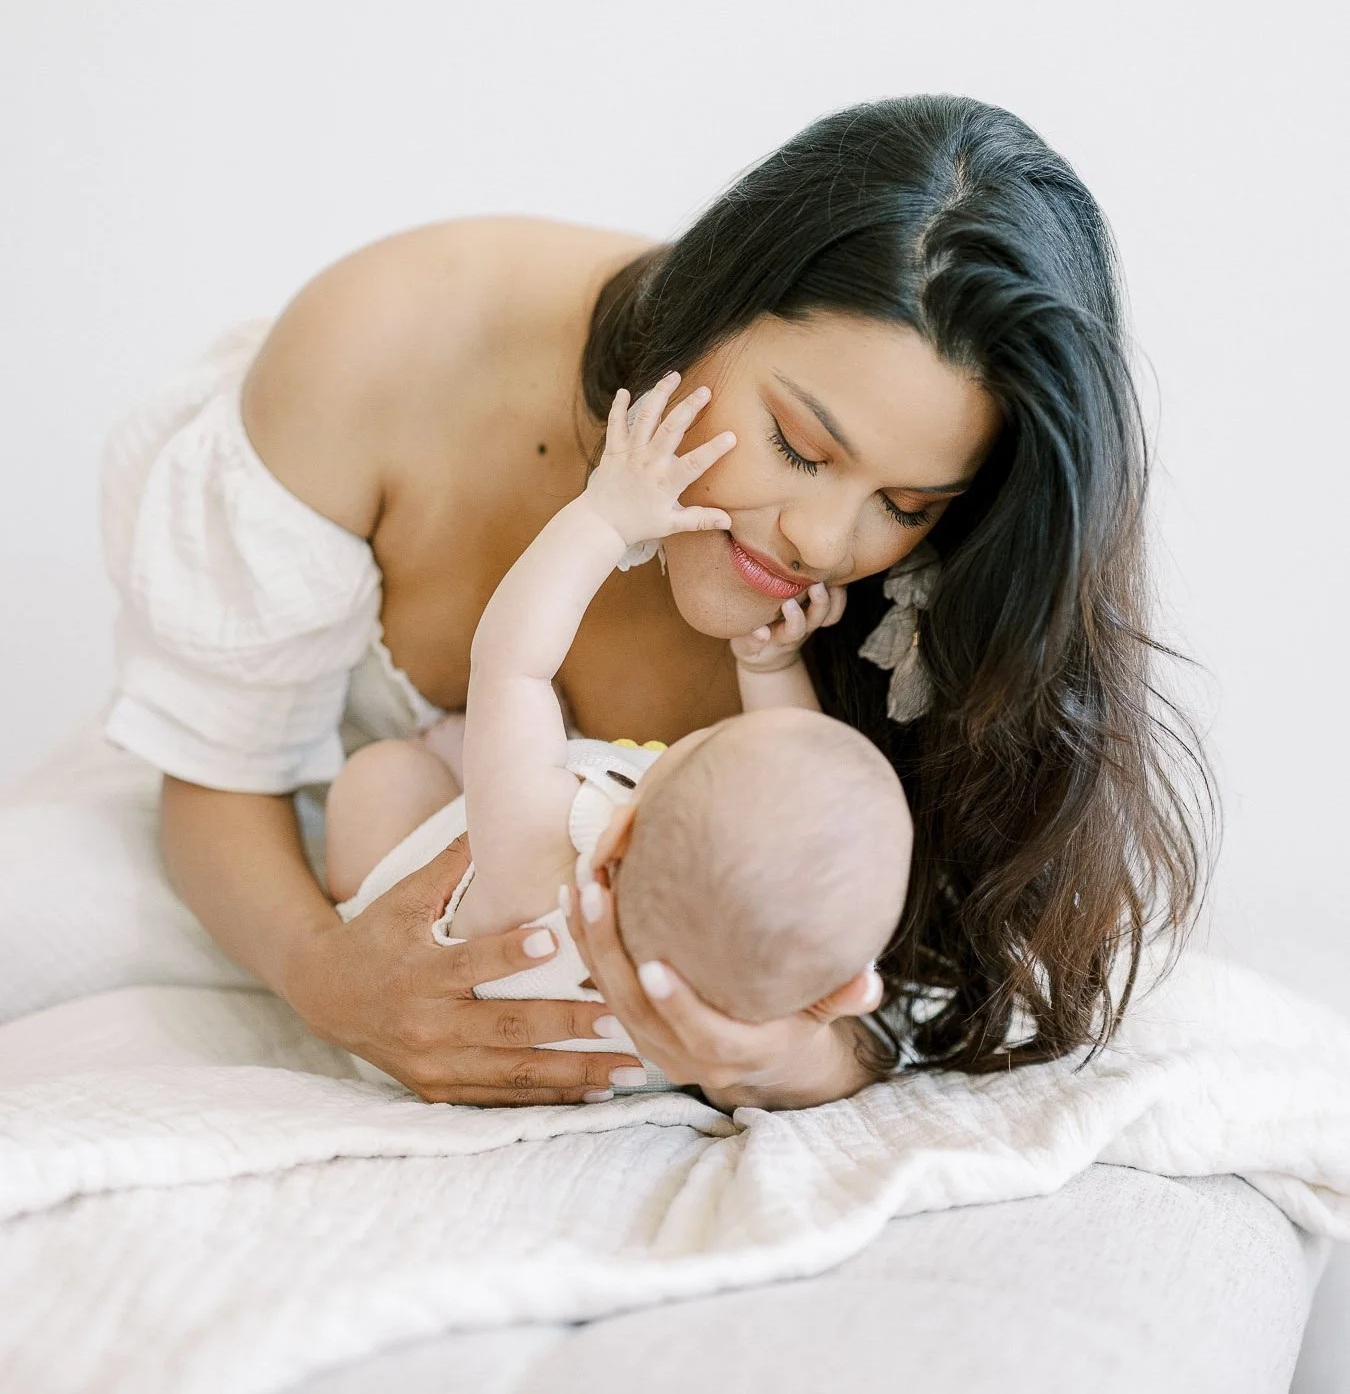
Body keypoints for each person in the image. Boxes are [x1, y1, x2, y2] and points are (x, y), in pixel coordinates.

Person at [101, 95, 1212, 1108]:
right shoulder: (387, 348)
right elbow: (219, 771)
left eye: (909, 504)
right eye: (798, 445)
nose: (825, 545)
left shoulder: (905, 597)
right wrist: (327, 979)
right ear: (708, 306)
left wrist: (781, 1058)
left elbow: (901, 987)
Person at [326, 373, 912, 1098]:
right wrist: (773, 661)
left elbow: (513, 666)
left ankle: (392, 851)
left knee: (382, 778)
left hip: (412, 988)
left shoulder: (540, 847)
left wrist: (602, 523)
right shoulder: (722, 1013)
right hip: (550, 1046)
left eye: (702, 747)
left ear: (621, 833)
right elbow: (787, 755)